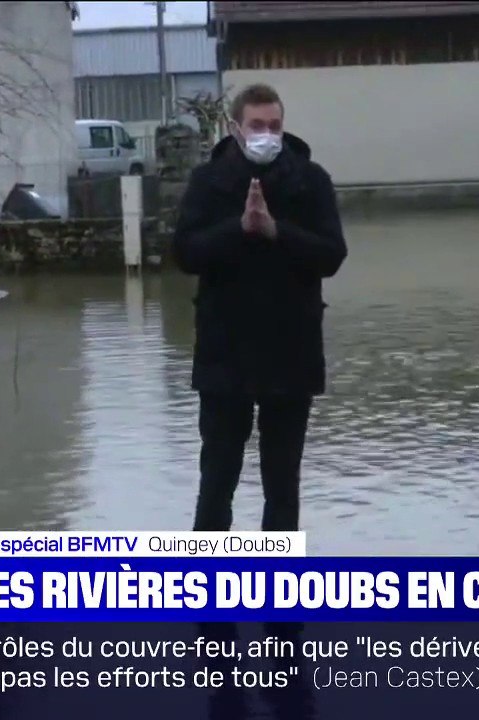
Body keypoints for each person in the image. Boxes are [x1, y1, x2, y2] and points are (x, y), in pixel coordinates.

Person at [172, 83, 347, 534]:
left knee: (283, 482)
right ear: (235, 128)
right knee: (217, 479)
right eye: (256, 126)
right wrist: (239, 227)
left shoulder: (311, 180)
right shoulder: (208, 183)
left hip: (291, 350)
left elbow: (332, 255)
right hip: (224, 352)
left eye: (274, 126)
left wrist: (275, 230)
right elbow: (185, 254)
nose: (266, 134)